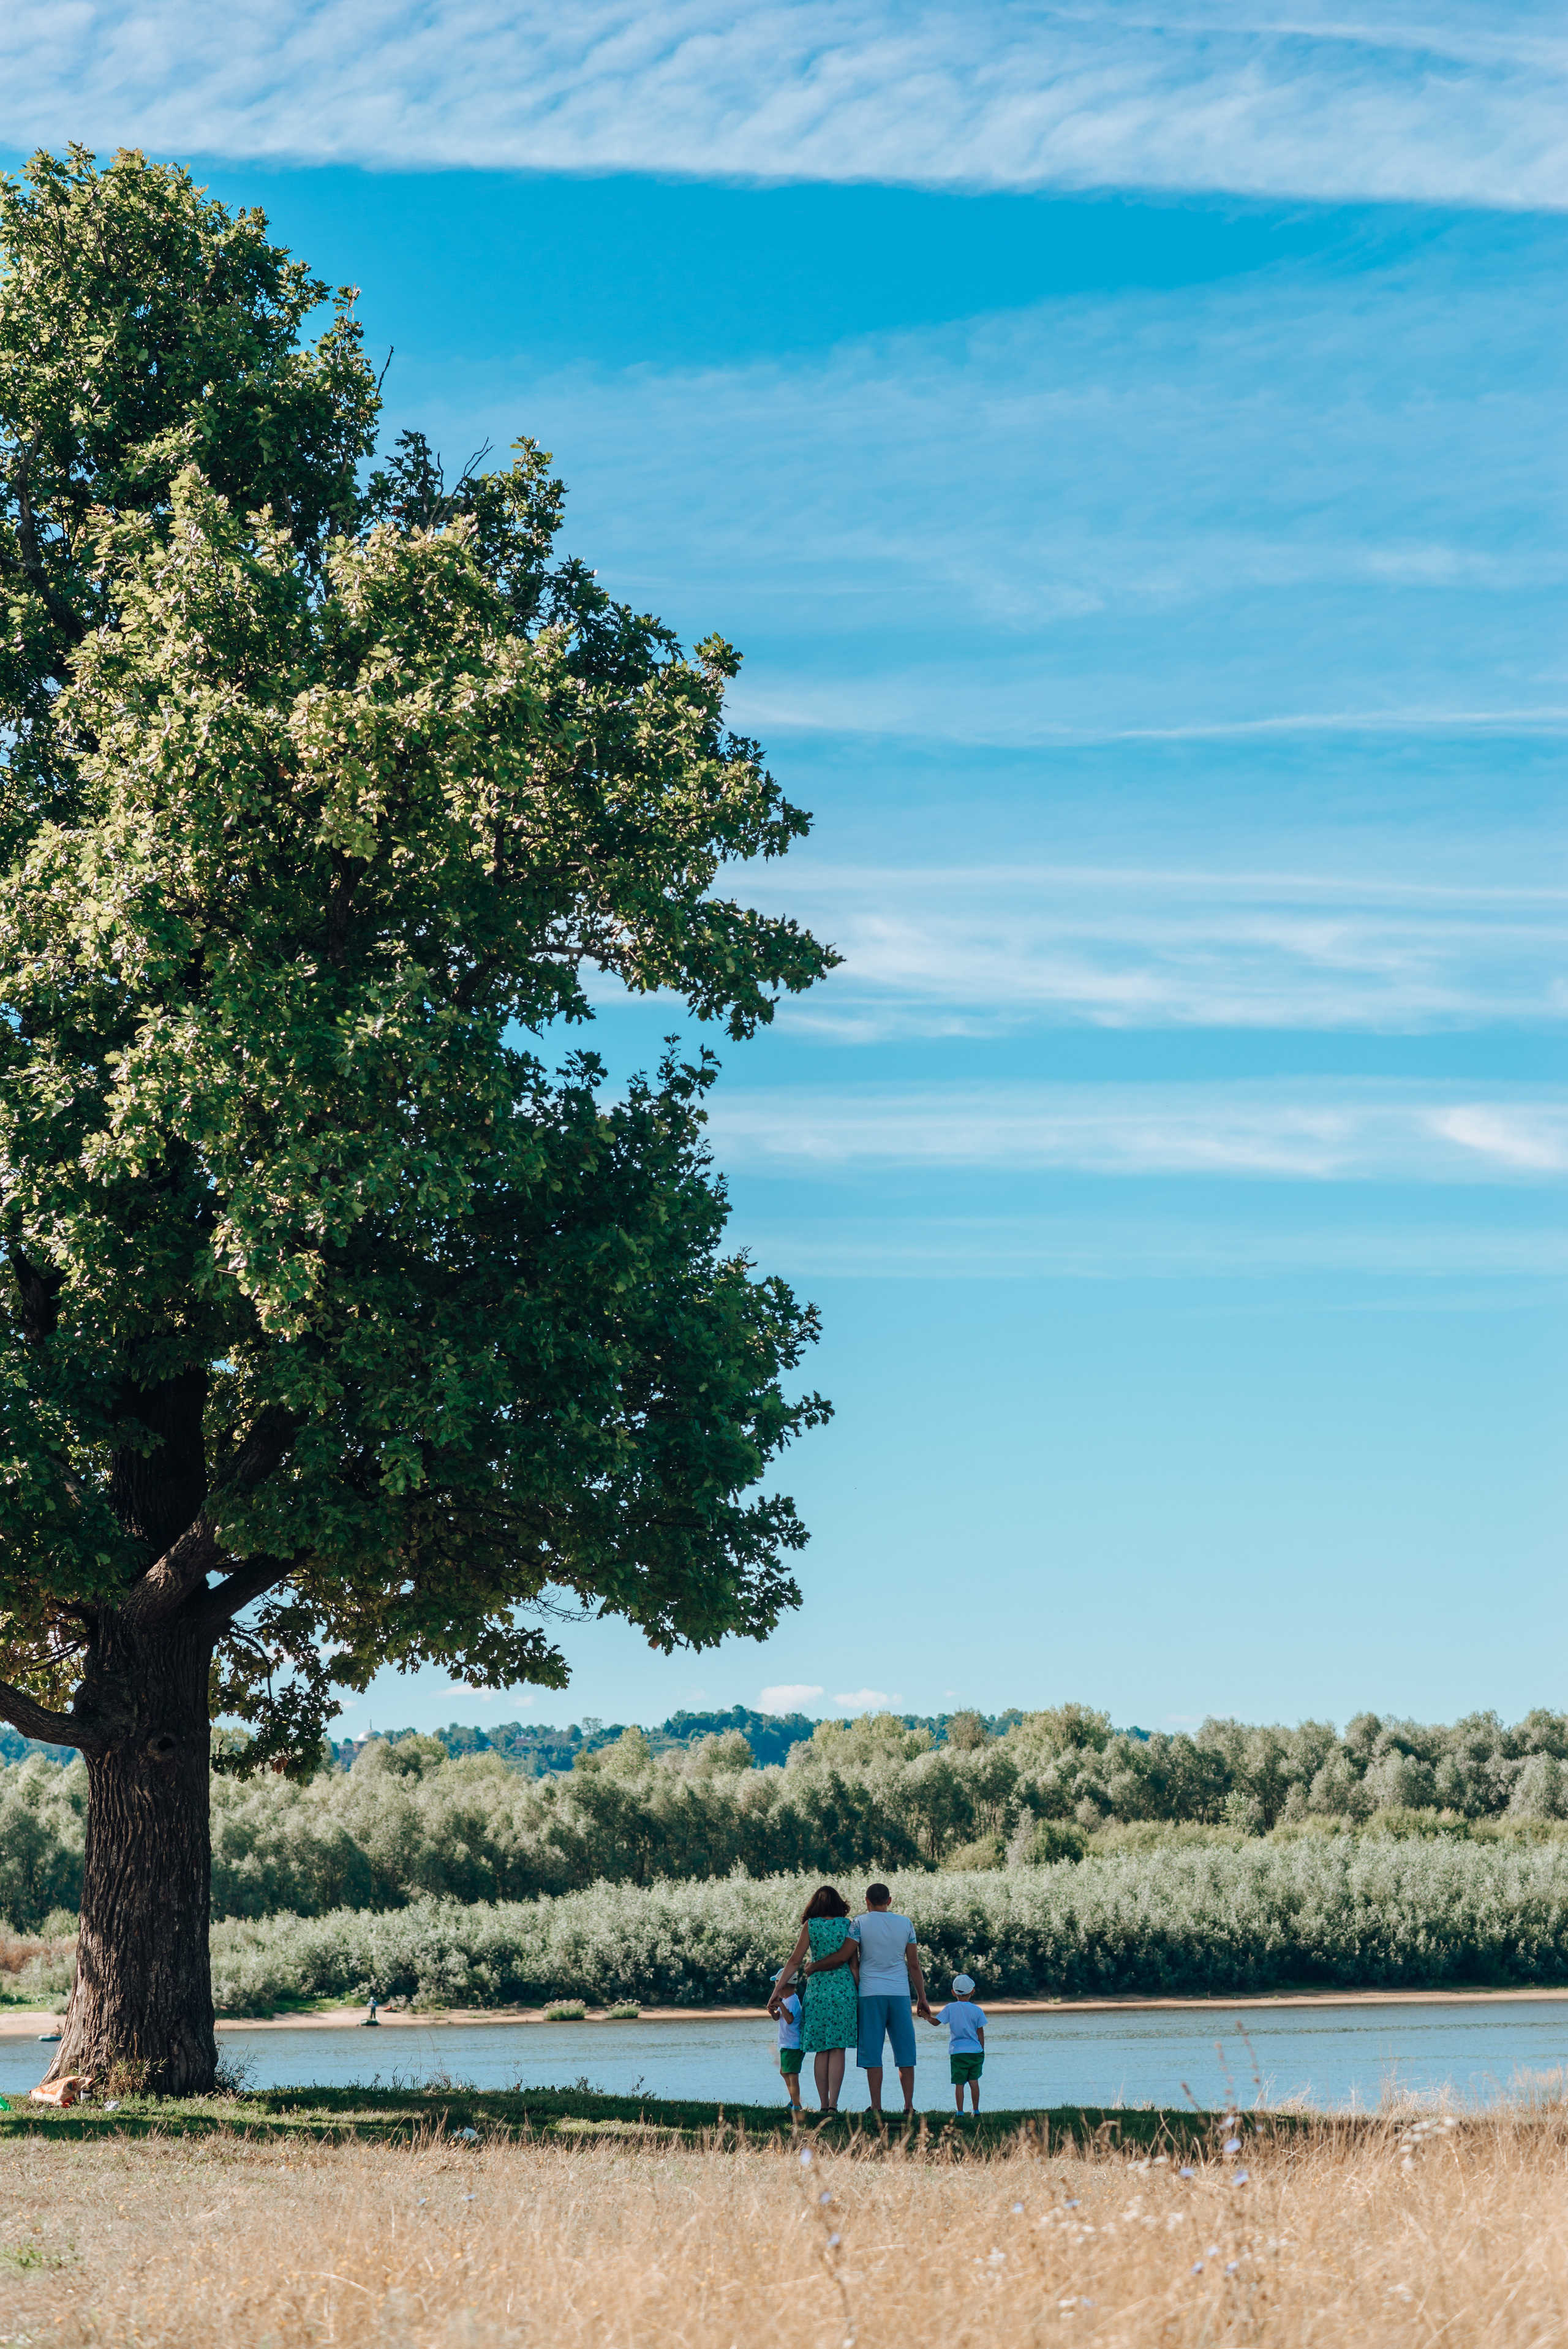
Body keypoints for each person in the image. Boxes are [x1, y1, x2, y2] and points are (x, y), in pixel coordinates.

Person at [805, 1882, 931, 2118]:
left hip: (870, 1993)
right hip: (900, 1993)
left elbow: (843, 1956)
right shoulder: (906, 1924)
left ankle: (876, 2105)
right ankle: (909, 2106)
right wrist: (922, 1997)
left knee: (873, 2052)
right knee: (904, 2051)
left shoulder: (858, 1923)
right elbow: (913, 1964)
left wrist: (814, 1967)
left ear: (867, 1901)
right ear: (890, 1901)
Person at [769, 1886, 858, 2113]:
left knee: (821, 2049)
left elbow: (794, 1962)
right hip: (843, 1991)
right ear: (839, 1904)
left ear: (815, 1905)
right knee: (838, 2048)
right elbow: (854, 1965)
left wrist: (775, 1992)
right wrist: (860, 1994)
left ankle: (822, 2104)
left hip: (818, 1991)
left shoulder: (811, 1926)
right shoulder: (848, 1926)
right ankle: (833, 2105)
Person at [930, 1972, 987, 2115]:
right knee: (974, 2081)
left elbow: (936, 2023)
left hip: (957, 2052)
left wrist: (926, 2016)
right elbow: (980, 2032)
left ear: (953, 1992)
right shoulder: (977, 2010)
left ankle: (960, 2112)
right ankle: (976, 2110)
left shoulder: (950, 2008)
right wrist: (982, 2050)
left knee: (959, 2083)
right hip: (975, 2052)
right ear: (972, 1991)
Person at [772, 1970, 804, 2110]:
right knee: (784, 2072)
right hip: (787, 2044)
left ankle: (796, 2105)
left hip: (793, 2045)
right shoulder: (785, 2001)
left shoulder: (793, 2001)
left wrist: (781, 2006)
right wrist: (774, 2013)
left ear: (783, 1986)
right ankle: (793, 2101)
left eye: (776, 1985)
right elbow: (780, 2017)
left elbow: (790, 2019)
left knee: (792, 2075)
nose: (775, 1989)